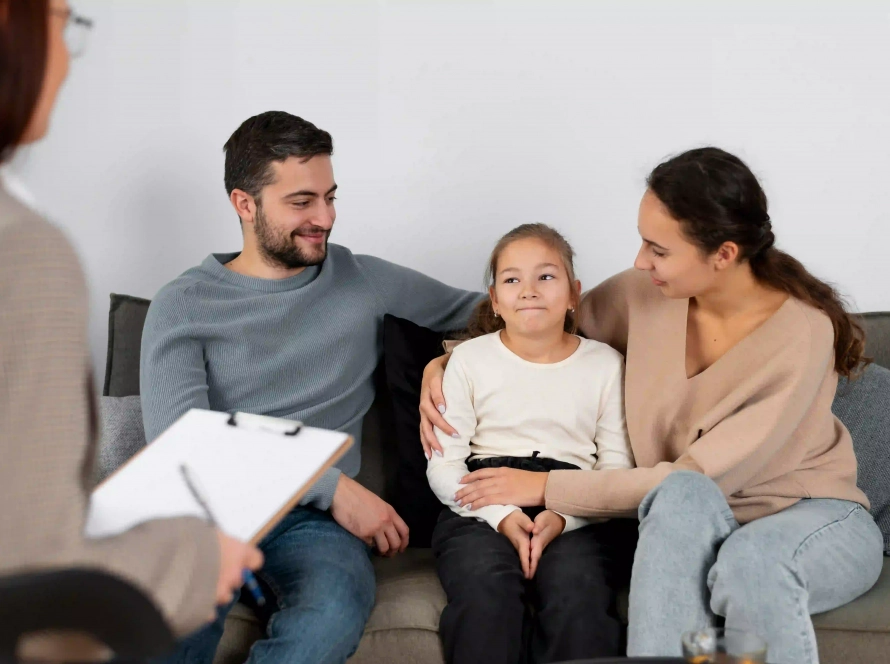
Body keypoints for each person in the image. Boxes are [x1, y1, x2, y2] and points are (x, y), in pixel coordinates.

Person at [420, 148, 884, 663]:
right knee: (676, 503)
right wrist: (444, 364)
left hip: (805, 515)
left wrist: (546, 487)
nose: (641, 261)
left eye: (657, 249)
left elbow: (702, 475)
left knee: (745, 558)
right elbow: (537, 320)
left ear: (723, 254)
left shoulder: (801, 333)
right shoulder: (642, 295)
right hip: (685, 512)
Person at [140, 110, 483, 664]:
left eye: (330, 197)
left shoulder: (362, 279)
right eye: (302, 202)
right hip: (207, 511)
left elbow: (500, 313)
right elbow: (187, 446)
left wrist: (443, 361)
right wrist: (334, 488)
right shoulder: (182, 305)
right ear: (244, 204)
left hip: (311, 529)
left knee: (332, 610)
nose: (324, 217)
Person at [0, 0, 263, 658]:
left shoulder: (358, 281)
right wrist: (196, 561)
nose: (65, 56)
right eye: (63, 20)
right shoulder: (26, 253)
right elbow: (34, 574)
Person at [427, 224, 636, 664]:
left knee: (577, 593)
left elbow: (615, 470)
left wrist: (563, 517)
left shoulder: (605, 364)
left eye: (545, 276)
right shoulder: (467, 361)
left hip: (578, 500)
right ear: (495, 301)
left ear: (574, 293)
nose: (528, 290)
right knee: (486, 592)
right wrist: (502, 517)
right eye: (511, 279)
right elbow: (444, 464)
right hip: (482, 497)